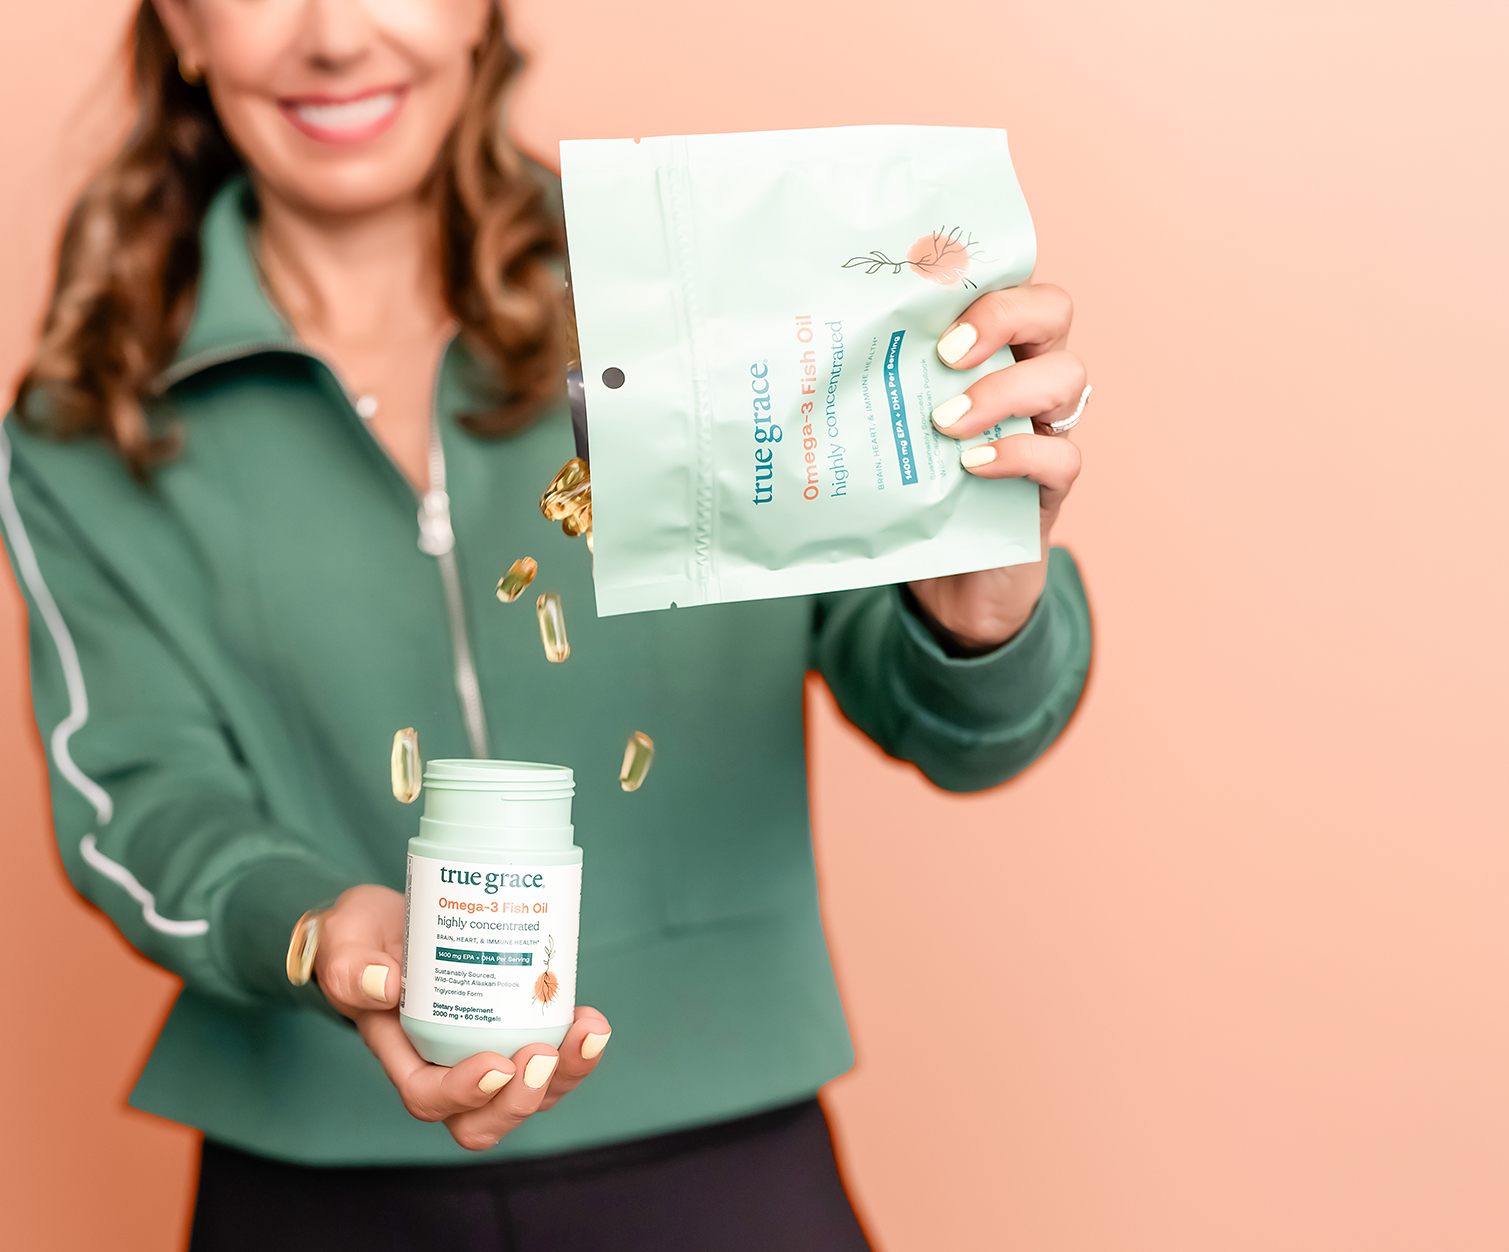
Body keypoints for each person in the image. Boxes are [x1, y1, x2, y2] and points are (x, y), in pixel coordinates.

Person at [4, 0, 1095, 1246]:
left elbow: (963, 737)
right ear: (182, 25)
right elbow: (138, 798)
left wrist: (976, 610)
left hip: (725, 1162)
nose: (336, 36)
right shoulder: (84, 426)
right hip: (307, 1182)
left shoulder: (695, 300)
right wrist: (313, 930)